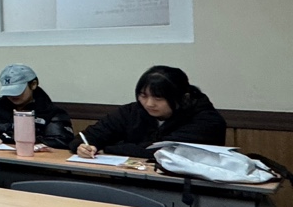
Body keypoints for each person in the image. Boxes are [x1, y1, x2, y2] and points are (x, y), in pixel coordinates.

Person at [76, 65, 226, 159]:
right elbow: (85, 137)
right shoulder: (131, 111)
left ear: (183, 98)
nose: (149, 103)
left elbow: (163, 152)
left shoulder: (207, 120)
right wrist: (86, 147)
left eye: (158, 98)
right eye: (143, 96)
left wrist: (107, 149)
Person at [0, 64, 73, 150]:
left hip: (34, 165)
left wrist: (8, 139)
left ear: (33, 84)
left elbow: (61, 141)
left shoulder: (52, 112)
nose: (13, 96)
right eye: (9, 91)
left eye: (17, 90)